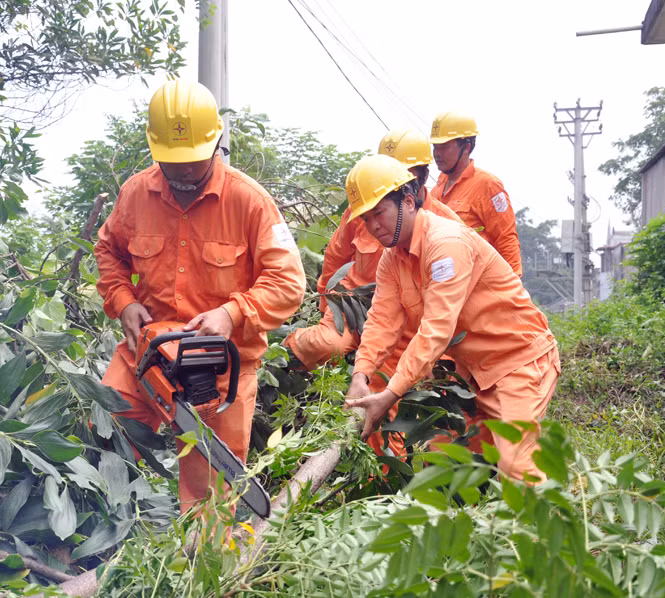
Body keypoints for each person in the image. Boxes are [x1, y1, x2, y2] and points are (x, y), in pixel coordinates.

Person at [94, 80, 306, 513]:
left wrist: (233, 313)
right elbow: (108, 250)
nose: (184, 173)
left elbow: (288, 283)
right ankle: (98, 541)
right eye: (173, 164)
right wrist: (123, 300)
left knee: (210, 500)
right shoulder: (136, 193)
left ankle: (201, 571)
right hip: (147, 352)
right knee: (103, 440)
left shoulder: (250, 202)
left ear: (215, 144)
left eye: (192, 162)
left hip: (219, 370)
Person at [342, 155, 560, 481]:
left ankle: (559, 526)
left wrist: (390, 393)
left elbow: (436, 330)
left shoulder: (445, 245)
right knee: (448, 468)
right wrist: (361, 373)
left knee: (518, 468)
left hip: (519, 363)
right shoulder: (392, 259)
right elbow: (381, 321)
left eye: (379, 213)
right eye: (366, 218)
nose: (374, 226)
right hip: (475, 376)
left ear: (408, 200)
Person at [283, 128, 460, 371]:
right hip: (351, 308)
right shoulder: (364, 208)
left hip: (405, 322)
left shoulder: (444, 224)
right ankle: (275, 360)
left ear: (423, 174)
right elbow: (336, 255)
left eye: (403, 173)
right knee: (321, 344)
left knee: (390, 381)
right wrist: (327, 306)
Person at [430, 112, 523, 277]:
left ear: (466, 147)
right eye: (435, 147)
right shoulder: (436, 190)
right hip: (448, 287)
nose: (437, 153)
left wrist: (512, 288)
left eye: (444, 147)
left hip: (482, 287)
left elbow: (506, 240)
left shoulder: (488, 186)